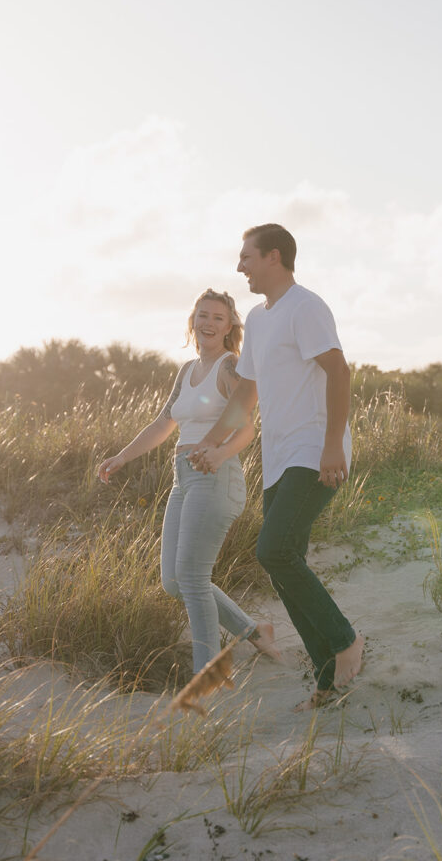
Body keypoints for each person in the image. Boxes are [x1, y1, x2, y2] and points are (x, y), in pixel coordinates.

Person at [189, 225, 364, 709]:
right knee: (285, 562)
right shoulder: (260, 320)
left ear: (273, 257)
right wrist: (209, 440)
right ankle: (328, 681)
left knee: (275, 552)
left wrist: (333, 446)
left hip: (314, 450)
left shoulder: (306, 307)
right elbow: (247, 392)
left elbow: (339, 371)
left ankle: (345, 641)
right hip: (280, 458)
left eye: (246, 256)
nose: (239, 265)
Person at [98, 289, 280, 675]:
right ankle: (254, 630)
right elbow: (164, 424)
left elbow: (247, 426)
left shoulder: (230, 367)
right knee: (173, 581)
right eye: (203, 315)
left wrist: (220, 452)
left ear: (230, 326)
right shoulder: (186, 370)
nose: (209, 323)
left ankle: (207, 678)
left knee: (193, 580)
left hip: (216, 475)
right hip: (182, 477)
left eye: (218, 317)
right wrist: (122, 456)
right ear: (192, 321)